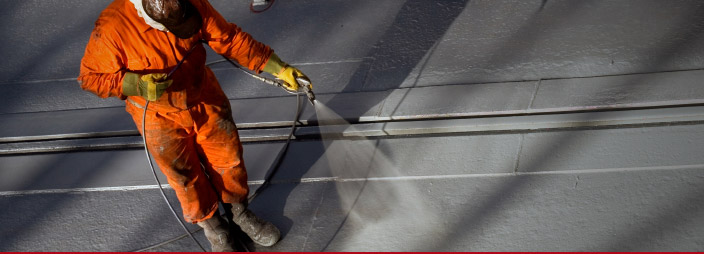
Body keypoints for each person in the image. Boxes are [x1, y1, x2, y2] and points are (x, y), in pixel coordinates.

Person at [78, 0, 311, 251]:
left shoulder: (191, 2)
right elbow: (90, 78)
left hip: (204, 98)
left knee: (229, 159)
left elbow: (230, 38)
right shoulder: (113, 26)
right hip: (158, 116)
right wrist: (136, 85)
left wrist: (280, 68)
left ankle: (240, 213)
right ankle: (214, 227)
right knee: (184, 176)